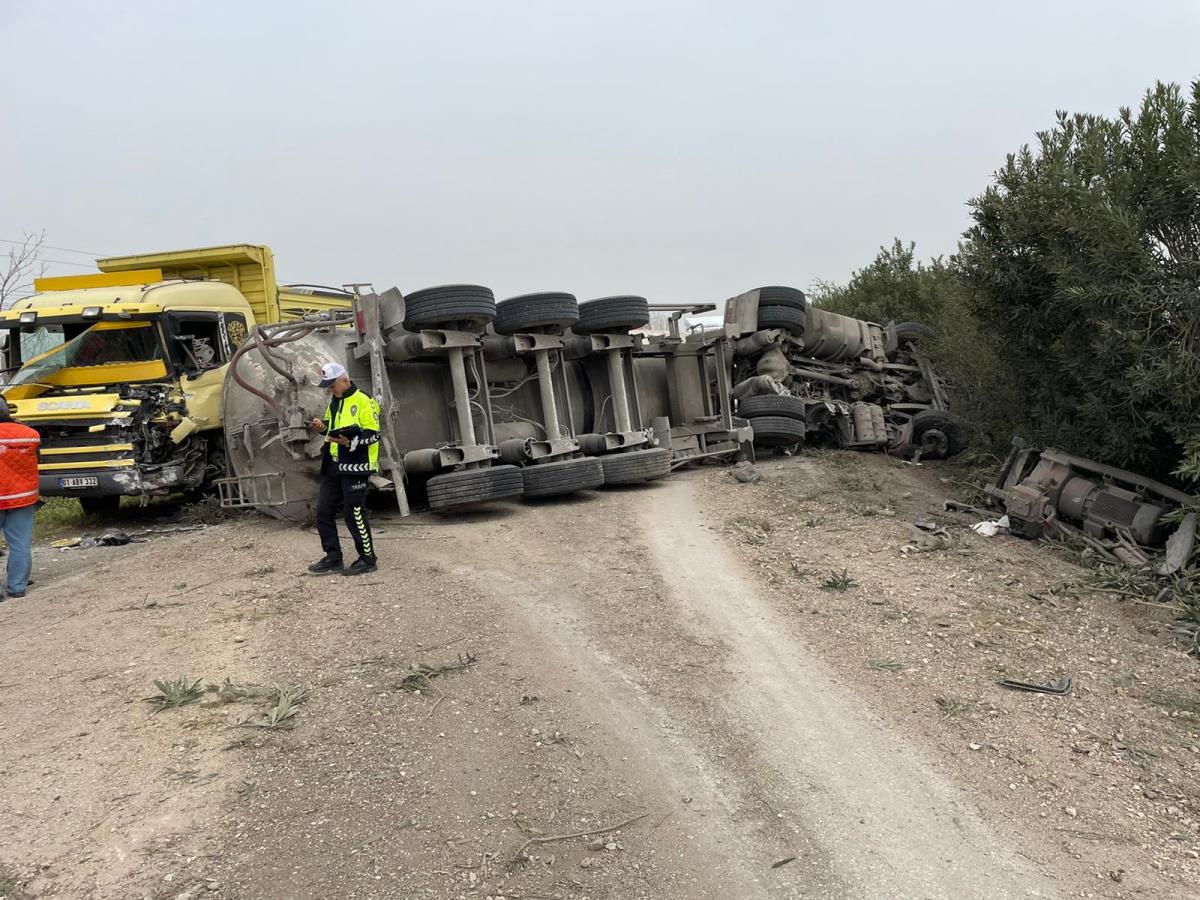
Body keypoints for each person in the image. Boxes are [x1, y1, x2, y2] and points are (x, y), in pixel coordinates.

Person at [305, 362, 380, 576]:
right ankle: (333, 557)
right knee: (323, 512)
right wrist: (323, 428)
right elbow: (333, 433)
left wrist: (351, 443)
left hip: (356, 466)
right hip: (333, 466)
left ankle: (367, 559)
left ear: (345, 380)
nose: (330, 389)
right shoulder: (334, 403)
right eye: (328, 386)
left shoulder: (364, 400)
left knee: (354, 513)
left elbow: (374, 434)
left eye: (332, 385)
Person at [0, 397, 40, 601]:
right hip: (23, 498)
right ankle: (17, 587)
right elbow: (37, 461)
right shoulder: (31, 435)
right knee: (20, 544)